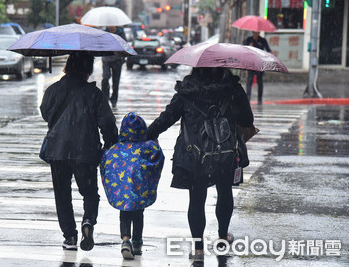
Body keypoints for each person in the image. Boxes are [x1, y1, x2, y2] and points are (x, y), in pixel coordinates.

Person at [146, 67, 254, 263]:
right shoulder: (232, 89)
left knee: (196, 199)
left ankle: (198, 249)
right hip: (225, 152)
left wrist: (144, 136)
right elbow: (247, 119)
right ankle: (222, 237)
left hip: (195, 155)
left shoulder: (187, 91)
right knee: (224, 192)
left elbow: (167, 118)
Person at [40, 52, 118, 251]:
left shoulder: (54, 90)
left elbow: (44, 112)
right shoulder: (94, 94)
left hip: (57, 150)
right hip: (86, 151)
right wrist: (110, 145)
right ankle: (88, 221)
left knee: (62, 194)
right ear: (88, 69)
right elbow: (107, 122)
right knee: (90, 193)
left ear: (68, 65)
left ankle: (70, 236)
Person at [100, 112, 164, 260]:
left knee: (124, 213)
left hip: (123, 191)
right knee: (138, 214)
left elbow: (105, 162)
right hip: (139, 191)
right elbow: (157, 158)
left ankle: (125, 240)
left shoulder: (116, 149)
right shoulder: (147, 148)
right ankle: (137, 242)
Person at [244, 31, 271, 105]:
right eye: (254, 33)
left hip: (260, 63)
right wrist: (249, 47)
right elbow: (244, 50)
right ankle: (248, 97)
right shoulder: (249, 40)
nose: (256, 34)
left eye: (257, 33)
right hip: (251, 63)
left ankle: (259, 99)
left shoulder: (263, 40)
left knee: (260, 82)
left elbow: (268, 50)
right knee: (249, 81)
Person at [101, 26, 126, 108]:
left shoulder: (121, 33)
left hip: (117, 60)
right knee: (105, 78)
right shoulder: (105, 32)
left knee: (116, 82)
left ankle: (114, 100)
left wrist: (122, 58)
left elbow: (125, 45)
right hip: (106, 59)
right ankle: (105, 98)